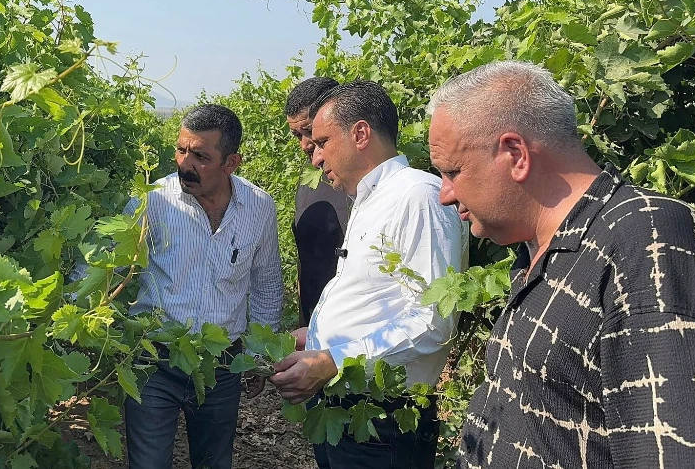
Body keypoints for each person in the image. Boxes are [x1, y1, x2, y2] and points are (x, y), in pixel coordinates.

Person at [426, 60, 695, 469]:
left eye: (452, 172)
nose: (444, 194)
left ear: (516, 155)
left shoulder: (649, 238)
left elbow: (683, 450)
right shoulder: (544, 250)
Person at [270, 81, 467, 469]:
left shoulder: (417, 197)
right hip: (352, 408)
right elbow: (379, 300)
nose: (315, 157)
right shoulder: (372, 199)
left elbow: (432, 322)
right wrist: (316, 335)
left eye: (322, 142)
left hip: (384, 420)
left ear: (360, 134)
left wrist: (333, 360)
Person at [124, 104, 283, 469]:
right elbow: (106, 264)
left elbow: (266, 283)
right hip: (154, 360)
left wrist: (259, 355)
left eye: (200, 156)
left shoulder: (258, 207)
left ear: (231, 163)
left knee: (213, 462)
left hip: (221, 366)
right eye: (181, 150)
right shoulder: (152, 200)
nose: (185, 164)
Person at [285, 77, 351, 327]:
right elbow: (306, 260)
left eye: (309, 130)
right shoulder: (308, 184)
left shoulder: (364, 184)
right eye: (297, 135)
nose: (304, 144)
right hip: (314, 331)